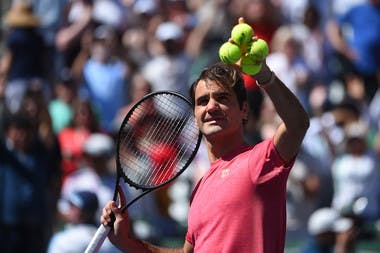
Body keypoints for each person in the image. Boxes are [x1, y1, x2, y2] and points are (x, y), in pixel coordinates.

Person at [100, 33, 310, 252]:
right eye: (202, 101)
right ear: (195, 115)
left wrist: (263, 75)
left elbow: (297, 124)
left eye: (222, 98)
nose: (211, 107)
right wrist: (127, 241)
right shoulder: (200, 186)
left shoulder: (259, 161)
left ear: (244, 110)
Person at [47, 190, 120, 253]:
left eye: (73, 206)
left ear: (82, 212)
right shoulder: (109, 240)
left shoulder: (62, 239)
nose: (69, 209)